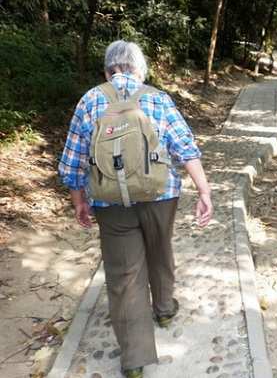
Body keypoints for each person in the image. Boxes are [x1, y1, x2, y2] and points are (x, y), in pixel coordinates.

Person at [58, 40, 213, 378]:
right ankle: (164, 309)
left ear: (107, 71)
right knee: (160, 250)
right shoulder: (158, 98)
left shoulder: (90, 100)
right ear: (141, 71)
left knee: (124, 275)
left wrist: (79, 201)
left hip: (110, 202)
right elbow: (185, 148)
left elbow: (72, 162)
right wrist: (204, 190)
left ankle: (134, 359)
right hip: (161, 195)